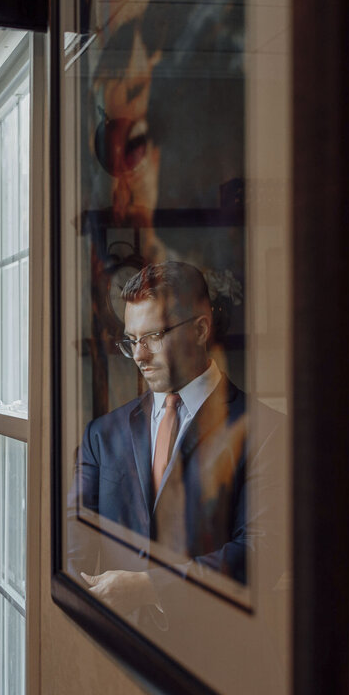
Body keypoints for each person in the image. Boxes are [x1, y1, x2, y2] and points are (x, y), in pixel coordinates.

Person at [68, 260, 283, 617]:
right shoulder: (100, 435)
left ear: (200, 330)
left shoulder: (268, 432)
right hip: (114, 639)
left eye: (153, 336)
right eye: (132, 340)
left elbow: (263, 553)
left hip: (214, 645)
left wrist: (151, 587)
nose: (139, 355)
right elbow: (72, 547)